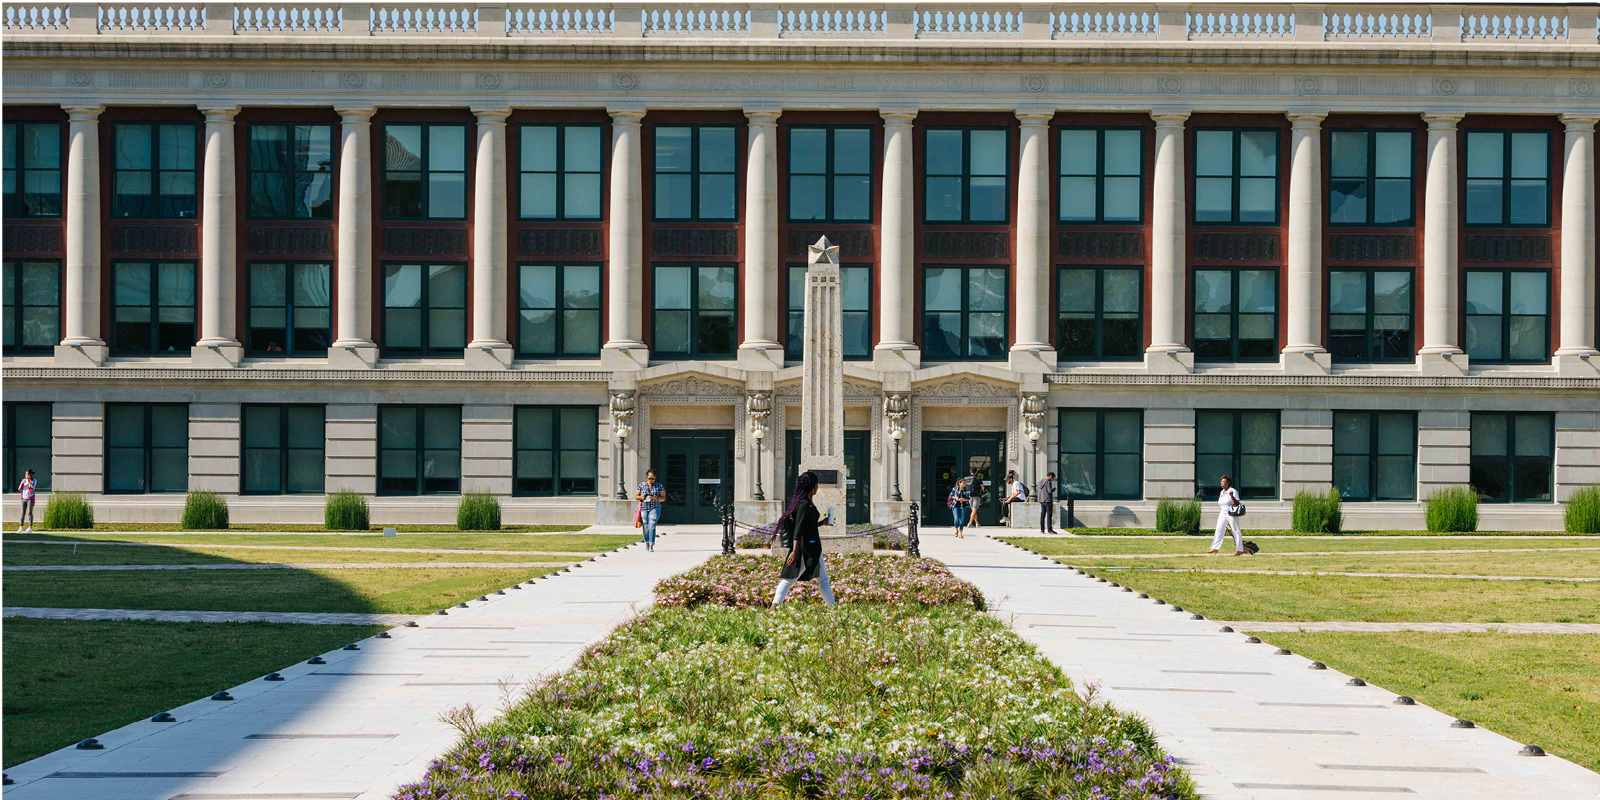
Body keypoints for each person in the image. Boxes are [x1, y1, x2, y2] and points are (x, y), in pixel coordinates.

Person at [772, 470, 836, 607]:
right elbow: (798, 528)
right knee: (815, 580)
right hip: (807, 548)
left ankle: (774, 607)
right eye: (816, 484)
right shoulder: (804, 504)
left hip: (809, 546)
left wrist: (821, 523)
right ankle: (833, 608)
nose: (817, 487)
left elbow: (807, 525)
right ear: (812, 487)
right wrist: (795, 552)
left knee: (797, 579)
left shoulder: (805, 502)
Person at [1209, 475, 1247, 556]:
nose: (1222, 483)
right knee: (1219, 529)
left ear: (1228, 483)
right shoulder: (1222, 492)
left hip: (1231, 512)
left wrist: (1231, 496)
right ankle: (1215, 548)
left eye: (1224, 482)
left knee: (1235, 530)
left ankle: (1240, 550)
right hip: (1222, 512)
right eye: (1221, 482)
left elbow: (1237, 503)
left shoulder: (1233, 491)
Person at [634, 468, 664, 552]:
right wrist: (641, 497)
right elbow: (636, 496)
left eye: (653, 478)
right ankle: (646, 543)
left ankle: (651, 544)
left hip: (654, 507)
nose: (651, 480)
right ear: (646, 477)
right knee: (645, 526)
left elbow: (663, 498)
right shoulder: (642, 485)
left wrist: (656, 498)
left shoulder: (659, 486)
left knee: (652, 525)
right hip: (644, 507)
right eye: (650, 478)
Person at [17, 469, 37, 533]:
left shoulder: (34, 480)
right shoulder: (23, 480)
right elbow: (19, 488)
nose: (26, 475)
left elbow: (33, 488)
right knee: (22, 513)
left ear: (30, 475)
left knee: (29, 512)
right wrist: (23, 483)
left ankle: (30, 527)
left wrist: (29, 482)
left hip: (30, 498)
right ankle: (21, 527)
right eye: (25, 474)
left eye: (27, 474)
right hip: (23, 498)